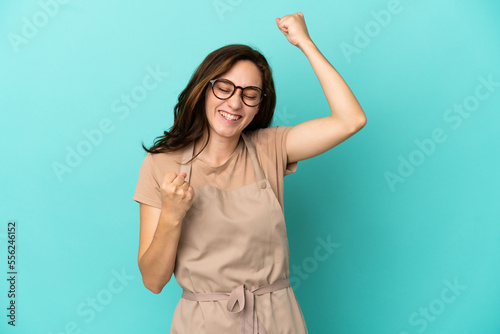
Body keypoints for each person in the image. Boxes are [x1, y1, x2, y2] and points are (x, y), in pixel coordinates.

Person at [132, 12, 366, 334]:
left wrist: (305, 43)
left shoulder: (270, 147)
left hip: (277, 320)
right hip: (202, 325)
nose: (235, 102)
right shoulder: (162, 164)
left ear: (259, 105)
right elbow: (153, 281)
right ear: (204, 89)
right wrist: (172, 214)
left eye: (249, 94)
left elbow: (350, 120)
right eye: (224, 87)